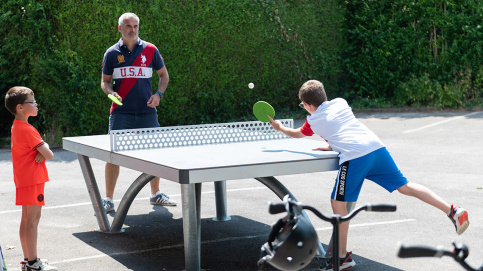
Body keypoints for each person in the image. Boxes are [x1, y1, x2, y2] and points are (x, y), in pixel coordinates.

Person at [268, 80, 470, 271]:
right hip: (376, 148)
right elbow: (343, 126)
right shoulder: (340, 102)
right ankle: (452, 210)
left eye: (303, 106)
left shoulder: (313, 120)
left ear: (308, 105)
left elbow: (297, 134)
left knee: (338, 203)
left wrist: (279, 127)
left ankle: (341, 258)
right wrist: (333, 144)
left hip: (356, 157)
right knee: (405, 187)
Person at [100, 12, 176, 213]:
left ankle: (155, 194)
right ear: (120, 29)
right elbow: (105, 82)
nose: (132, 30)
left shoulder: (150, 50)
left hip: (147, 112)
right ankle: (108, 199)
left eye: (135, 26)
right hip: (120, 113)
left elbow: (164, 76)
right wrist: (111, 93)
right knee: (113, 155)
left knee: (153, 153)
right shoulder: (111, 53)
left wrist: (159, 94)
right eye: (128, 26)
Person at [5, 87, 58, 271]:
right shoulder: (28, 129)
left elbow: (42, 151)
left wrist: (42, 151)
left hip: (24, 179)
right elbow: (49, 154)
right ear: (20, 107)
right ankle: (34, 263)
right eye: (32, 101)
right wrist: (44, 150)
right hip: (33, 180)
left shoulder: (16, 126)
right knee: (33, 221)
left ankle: (28, 261)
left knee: (26, 220)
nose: (36, 104)